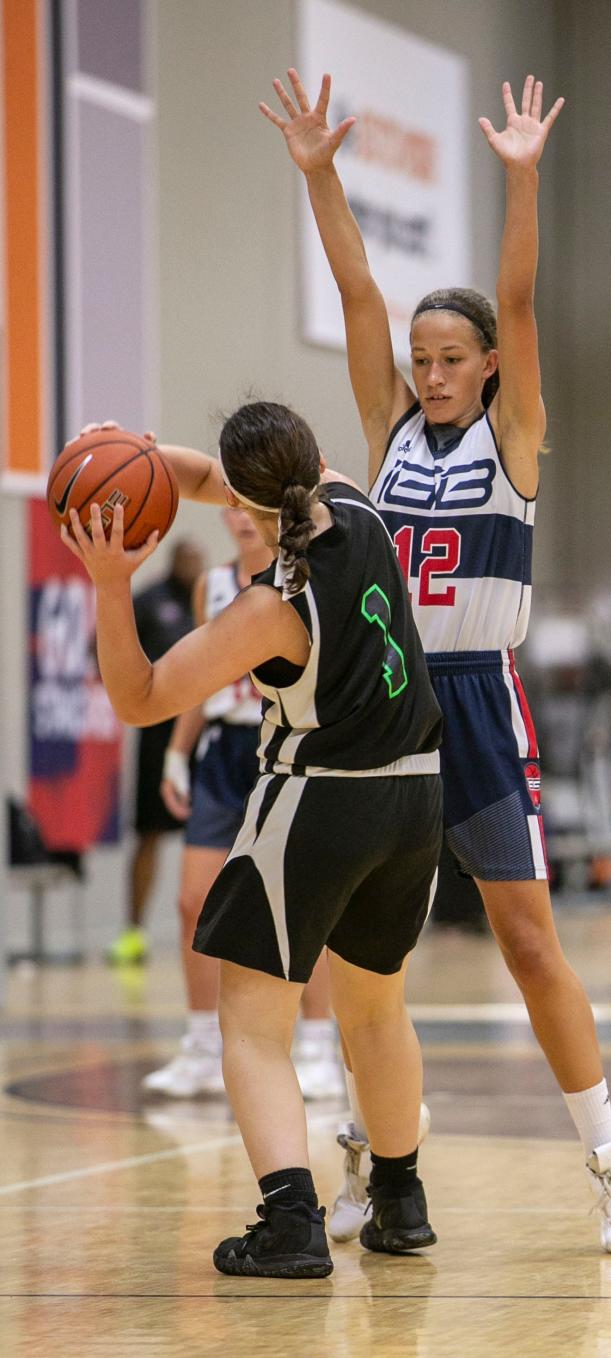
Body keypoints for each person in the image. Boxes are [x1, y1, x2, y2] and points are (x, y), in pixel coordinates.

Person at [262, 68, 611, 1253]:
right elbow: (355, 289)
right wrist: (321, 173)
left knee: (528, 938)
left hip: (480, 699)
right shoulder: (388, 434)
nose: (430, 370)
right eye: (422, 356)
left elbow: (522, 299)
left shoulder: (516, 436)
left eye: (452, 356)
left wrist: (524, 177)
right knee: (359, 965)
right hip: (383, 705)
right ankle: (371, 1159)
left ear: (488, 365)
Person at [63, 401, 444, 1277]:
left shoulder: (273, 604)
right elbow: (220, 480)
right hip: (415, 800)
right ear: (312, 460)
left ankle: (291, 1225)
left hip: (321, 804)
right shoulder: (359, 506)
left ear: (246, 502)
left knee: (251, 1020)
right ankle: (401, 1201)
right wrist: (154, 462)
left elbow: (141, 698)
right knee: (378, 1011)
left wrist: (112, 583)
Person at [144, 506, 343, 1101]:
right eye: (227, 502)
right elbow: (198, 678)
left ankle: (317, 1044)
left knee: (306, 902)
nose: (239, 515)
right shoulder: (214, 584)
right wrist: (176, 756)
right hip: (222, 752)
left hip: (280, 744)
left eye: (247, 502)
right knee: (191, 901)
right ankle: (202, 1046)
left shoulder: (305, 576)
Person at [108, 538, 206, 966]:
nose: (193, 563)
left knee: (211, 836)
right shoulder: (148, 601)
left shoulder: (214, 599)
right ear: (173, 561)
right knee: (148, 834)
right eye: (187, 557)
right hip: (156, 735)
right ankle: (134, 932)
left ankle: (212, 932)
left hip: (206, 734)